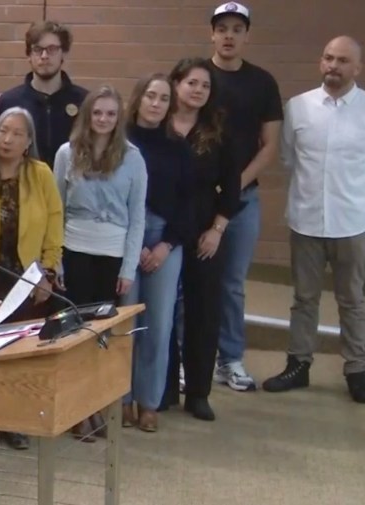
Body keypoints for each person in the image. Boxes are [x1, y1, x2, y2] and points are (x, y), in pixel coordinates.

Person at [263, 36, 365, 403]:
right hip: (306, 220)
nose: (333, 66)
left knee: (353, 300)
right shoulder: (299, 107)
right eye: (328, 58)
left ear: (357, 68)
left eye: (343, 60)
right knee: (304, 298)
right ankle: (298, 364)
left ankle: (357, 369)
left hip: (352, 222)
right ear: (321, 62)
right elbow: (289, 158)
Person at [0, 106, 64, 450]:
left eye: (18, 133)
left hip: (28, 279)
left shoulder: (41, 174)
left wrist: (48, 272)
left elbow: (54, 224)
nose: (8, 139)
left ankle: (16, 419)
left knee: (21, 350)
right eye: (3, 131)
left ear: (28, 141)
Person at [54, 85, 147, 439]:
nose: (103, 119)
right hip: (74, 250)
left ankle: (96, 407)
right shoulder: (67, 153)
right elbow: (56, 210)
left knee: (101, 335)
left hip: (112, 255)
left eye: (110, 113)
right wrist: (56, 261)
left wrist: (128, 267)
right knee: (74, 334)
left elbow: (137, 217)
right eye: (97, 113)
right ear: (87, 115)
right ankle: (75, 410)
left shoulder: (133, 158)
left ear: (118, 118)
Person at [207, 2, 284, 392]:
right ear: (212, 34)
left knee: (232, 283)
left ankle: (230, 359)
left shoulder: (262, 82)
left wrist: (234, 184)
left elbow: (269, 146)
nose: (229, 35)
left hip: (242, 200)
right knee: (191, 281)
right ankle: (187, 358)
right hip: (200, 200)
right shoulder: (196, 77)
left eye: (237, 29)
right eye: (222, 28)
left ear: (247, 36)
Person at [166, 57, 241, 421]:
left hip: (204, 232)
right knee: (162, 310)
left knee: (203, 311)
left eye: (205, 85)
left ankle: (198, 392)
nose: (198, 90)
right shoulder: (158, 124)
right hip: (162, 232)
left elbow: (232, 186)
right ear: (176, 84)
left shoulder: (218, 131)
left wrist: (217, 230)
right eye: (192, 83)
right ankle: (163, 389)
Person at [121, 73, 193, 432]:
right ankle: (120, 399)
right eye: (151, 95)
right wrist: (132, 245)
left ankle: (149, 401)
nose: (156, 103)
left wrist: (166, 245)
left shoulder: (178, 147)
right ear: (139, 98)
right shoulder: (119, 141)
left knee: (159, 324)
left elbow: (189, 203)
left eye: (164, 99)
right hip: (124, 238)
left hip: (165, 239)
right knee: (125, 324)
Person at [0, 21, 88, 169]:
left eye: (52, 49)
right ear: (29, 55)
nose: (44, 56)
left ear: (63, 53)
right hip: (24, 181)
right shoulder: (10, 102)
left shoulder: (84, 101)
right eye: (37, 49)